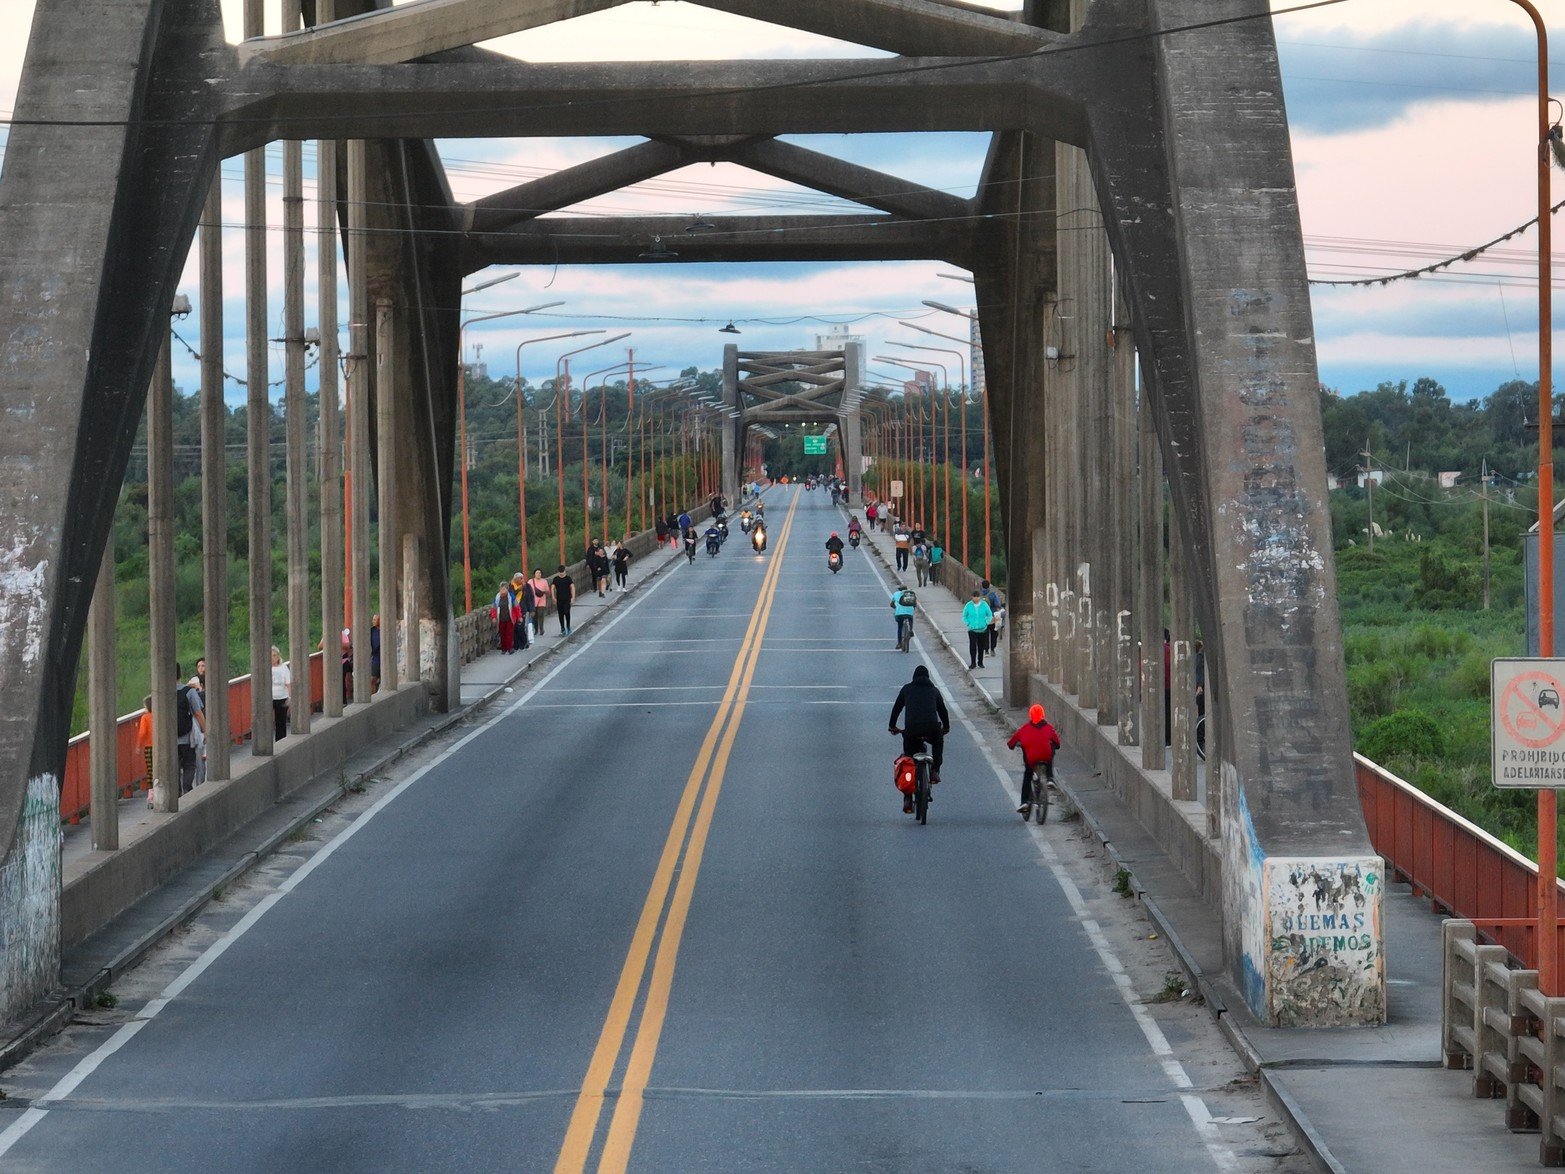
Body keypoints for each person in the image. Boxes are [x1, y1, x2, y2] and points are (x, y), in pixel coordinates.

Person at [888, 665, 950, 813]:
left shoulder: (907, 689)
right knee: (937, 742)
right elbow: (942, 710)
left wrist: (892, 726)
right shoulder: (933, 690)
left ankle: (908, 799)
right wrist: (946, 727)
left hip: (912, 731)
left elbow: (897, 708)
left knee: (909, 760)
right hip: (932, 729)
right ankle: (935, 770)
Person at [1008, 703, 1062, 818]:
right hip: (1046, 757)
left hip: (1031, 759)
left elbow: (1010, 743)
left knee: (1028, 775)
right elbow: (1057, 744)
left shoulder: (1024, 729)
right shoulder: (1049, 728)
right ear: (1043, 714)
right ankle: (1049, 779)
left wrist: (1016, 744)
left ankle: (1024, 803)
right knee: (1050, 754)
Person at [174, 662, 206, 795]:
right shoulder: (189, 692)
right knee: (189, 765)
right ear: (180, 674)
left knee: (173, 768)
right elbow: (198, 713)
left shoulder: (160, 694)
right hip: (187, 738)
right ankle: (187, 788)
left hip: (168, 741)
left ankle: (176, 793)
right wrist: (205, 730)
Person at [963, 588, 994, 670]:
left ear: (979, 597)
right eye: (974, 597)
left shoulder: (984, 605)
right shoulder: (968, 605)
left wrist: (986, 622)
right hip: (972, 630)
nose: (976, 598)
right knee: (972, 646)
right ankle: (973, 663)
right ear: (972, 597)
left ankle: (980, 662)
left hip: (982, 629)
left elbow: (989, 614)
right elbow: (964, 616)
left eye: (977, 597)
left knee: (981, 646)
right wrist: (968, 623)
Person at [188, 673, 208, 787]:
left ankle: (191, 785)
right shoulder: (201, 696)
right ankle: (200, 784)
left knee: (192, 761)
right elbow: (200, 713)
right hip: (198, 732)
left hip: (189, 733)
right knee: (200, 760)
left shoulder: (185, 695)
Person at [270, 645, 291, 743]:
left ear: (278, 656)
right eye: (270, 656)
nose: (272, 658)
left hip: (282, 697)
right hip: (269, 698)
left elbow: (288, 683)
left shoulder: (283, 668)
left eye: (274, 655)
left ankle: (280, 742)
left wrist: (290, 697)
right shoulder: (265, 669)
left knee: (281, 722)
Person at [890, 584, 916, 651]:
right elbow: (914, 604)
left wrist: (896, 608)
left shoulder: (896, 594)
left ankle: (899, 643)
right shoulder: (910, 594)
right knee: (910, 619)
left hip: (899, 613)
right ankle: (910, 630)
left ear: (899, 589)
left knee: (900, 627)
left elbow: (891, 604)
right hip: (909, 612)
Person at [982, 580, 1004, 655]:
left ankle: (986, 650)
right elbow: (997, 604)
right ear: (989, 586)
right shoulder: (992, 594)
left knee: (985, 634)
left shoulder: (979, 594)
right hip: (992, 617)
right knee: (994, 633)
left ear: (982, 586)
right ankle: (992, 649)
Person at [552, 564, 575, 635]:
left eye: (563, 572)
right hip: (559, 599)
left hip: (567, 598)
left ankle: (568, 626)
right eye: (560, 572)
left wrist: (573, 598)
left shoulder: (568, 578)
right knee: (560, 614)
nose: (562, 573)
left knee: (567, 612)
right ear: (558, 572)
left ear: (565, 571)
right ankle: (562, 628)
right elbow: (552, 588)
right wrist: (553, 597)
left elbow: (572, 587)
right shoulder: (555, 579)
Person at [492, 582, 515, 654]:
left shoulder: (511, 597)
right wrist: (493, 617)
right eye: (501, 589)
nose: (503, 590)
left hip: (509, 617)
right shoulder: (497, 598)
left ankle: (510, 648)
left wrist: (519, 616)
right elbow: (493, 608)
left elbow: (516, 607)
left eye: (504, 589)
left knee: (509, 633)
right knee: (502, 633)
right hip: (501, 618)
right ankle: (503, 648)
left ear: (507, 589)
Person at [530, 569, 552, 635]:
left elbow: (548, 590)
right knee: (534, 616)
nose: (538, 574)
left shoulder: (544, 581)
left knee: (541, 614)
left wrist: (544, 592)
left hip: (542, 600)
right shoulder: (530, 581)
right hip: (533, 601)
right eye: (537, 573)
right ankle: (536, 630)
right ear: (534, 574)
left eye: (539, 573)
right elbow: (527, 591)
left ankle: (541, 629)